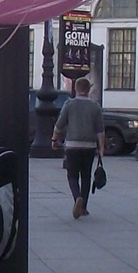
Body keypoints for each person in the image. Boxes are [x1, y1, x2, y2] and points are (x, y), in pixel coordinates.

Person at [52, 75, 106, 218]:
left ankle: (77, 198)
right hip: (89, 147)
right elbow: (100, 130)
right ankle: (84, 207)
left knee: (72, 175)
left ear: (76, 89)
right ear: (88, 90)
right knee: (86, 176)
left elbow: (59, 125)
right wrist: (101, 148)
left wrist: (54, 139)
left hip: (72, 146)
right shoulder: (95, 106)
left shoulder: (69, 104)